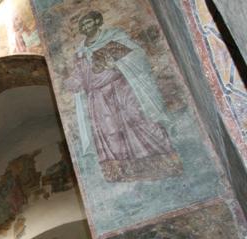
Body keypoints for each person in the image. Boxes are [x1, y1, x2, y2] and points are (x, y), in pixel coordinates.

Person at [65, 11, 181, 182]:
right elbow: (79, 74)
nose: (86, 27)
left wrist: (115, 63)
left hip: (121, 87)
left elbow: (137, 54)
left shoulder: (113, 36)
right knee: (110, 131)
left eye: (88, 22)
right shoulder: (80, 51)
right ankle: (125, 172)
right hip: (97, 97)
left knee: (137, 118)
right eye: (82, 25)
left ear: (97, 21)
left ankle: (163, 162)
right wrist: (72, 82)